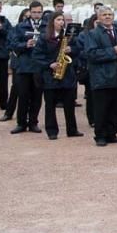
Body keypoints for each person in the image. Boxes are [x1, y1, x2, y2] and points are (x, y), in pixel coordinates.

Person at [31, 11, 82, 139]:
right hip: (50, 75)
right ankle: (52, 131)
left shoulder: (68, 37)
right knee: (50, 105)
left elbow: (78, 50)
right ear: (52, 21)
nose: (61, 22)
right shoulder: (44, 37)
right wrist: (50, 64)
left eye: (62, 20)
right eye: (58, 20)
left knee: (69, 104)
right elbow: (36, 56)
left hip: (67, 74)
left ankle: (72, 129)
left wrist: (72, 50)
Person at [84, 6, 117, 146]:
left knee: (115, 108)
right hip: (102, 77)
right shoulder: (92, 34)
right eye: (104, 15)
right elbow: (91, 54)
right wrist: (112, 51)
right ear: (99, 17)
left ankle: (112, 133)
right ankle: (100, 136)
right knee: (101, 108)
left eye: (110, 14)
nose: (108, 17)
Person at [10, 1, 46, 134]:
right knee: (23, 95)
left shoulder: (46, 26)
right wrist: (26, 44)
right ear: (30, 12)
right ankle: (21, 123)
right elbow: (13, 44)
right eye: (34, 12)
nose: (37, 15)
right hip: (24, 65)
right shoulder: (21, 26)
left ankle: (33, 122)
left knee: (37, 96)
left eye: (39, 12)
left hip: (39, 66)